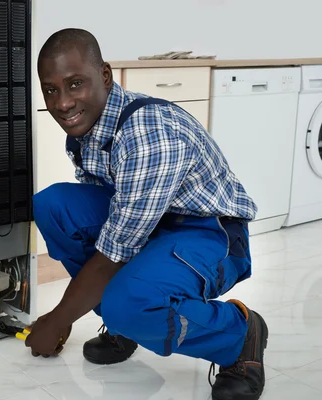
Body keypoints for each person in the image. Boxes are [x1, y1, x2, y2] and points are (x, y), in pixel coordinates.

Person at [25, 28, 267, 400]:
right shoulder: (89, 126)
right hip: (150, 227)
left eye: (75, 84)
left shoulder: (148, 135)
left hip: (208, 234)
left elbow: (111, 254)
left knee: (130, 301)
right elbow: (112, 224)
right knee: (53, 206)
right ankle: (124, 322)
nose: (62, 103)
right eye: (51, 89)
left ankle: (239, 335)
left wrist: (57, 320)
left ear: (104, 75)